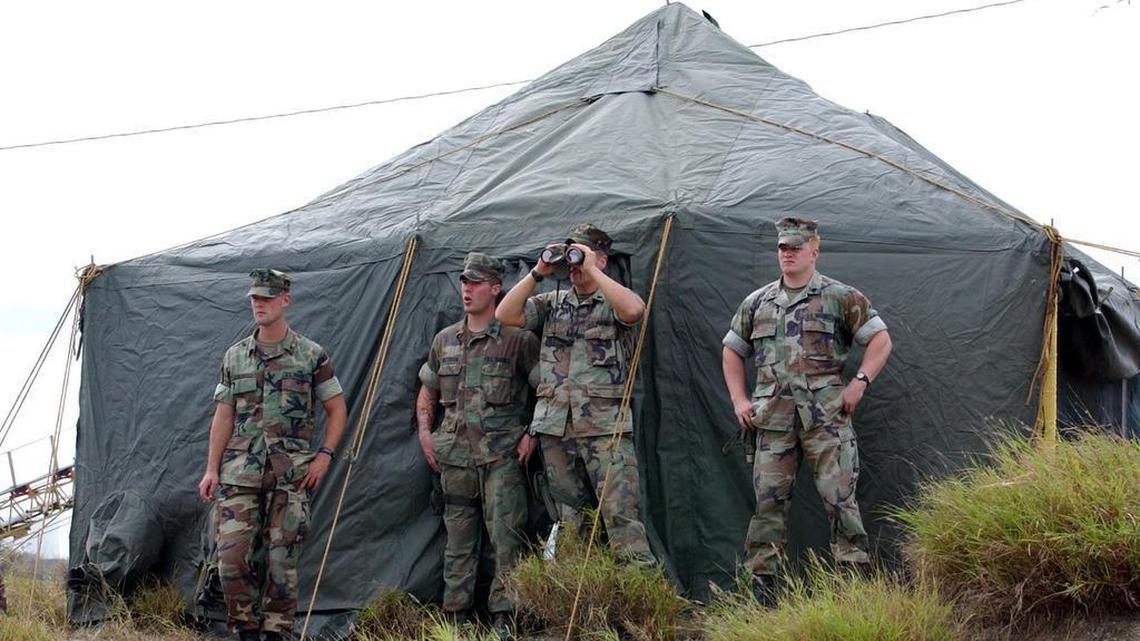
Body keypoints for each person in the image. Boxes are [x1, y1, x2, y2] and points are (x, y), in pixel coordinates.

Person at [721, 217, 892, 604]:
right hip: (774, 423)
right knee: (768, 506)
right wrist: (739, 400)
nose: (788, 254)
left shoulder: (840, 296)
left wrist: (859, 382)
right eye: (783, 247)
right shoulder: (758, 302)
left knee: (840, 501)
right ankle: (763, 594)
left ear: (814, 251)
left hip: (826, 421)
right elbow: (732, 350)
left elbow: (880, 340)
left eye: (796, 247)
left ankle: (853, 593)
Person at [198, 268, 348, 641]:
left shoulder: (310, 355)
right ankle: (245, 629)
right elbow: (223, 415)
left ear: (285, 300)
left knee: (283, 563)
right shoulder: (235, 357)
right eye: (255, 298)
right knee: (231, 558)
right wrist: (211, 469)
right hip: (240, 473)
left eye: (266, 298)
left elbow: (336, 409)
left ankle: (277, 632)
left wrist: (325, 455)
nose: (259, 304)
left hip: (291, 474)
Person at [496, 224, 653, 564]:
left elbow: (633, 311)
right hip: (556, 428)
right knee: (569, 519)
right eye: (570, 256)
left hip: (604, 429)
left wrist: (593, 269)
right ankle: (575, 592)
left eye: (580, 254)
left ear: (602, 259)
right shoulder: (552, 303)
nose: (574, 264)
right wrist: (539, 271)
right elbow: (504, 314)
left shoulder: (613, 300)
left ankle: (639, 589)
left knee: (621, 516)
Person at [416, 253, 539, 637]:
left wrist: (532, 432)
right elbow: (428, 390)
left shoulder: (518, 341)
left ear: (495, 288)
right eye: (464, 283)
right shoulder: (445, 340)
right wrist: (425, 432)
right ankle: (456, 615)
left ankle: (504, 616)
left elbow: (548, 390)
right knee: (458, 540)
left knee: (506, 538)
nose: (467, 290)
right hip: (454, 458)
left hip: (501, 456)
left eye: (476, 283)